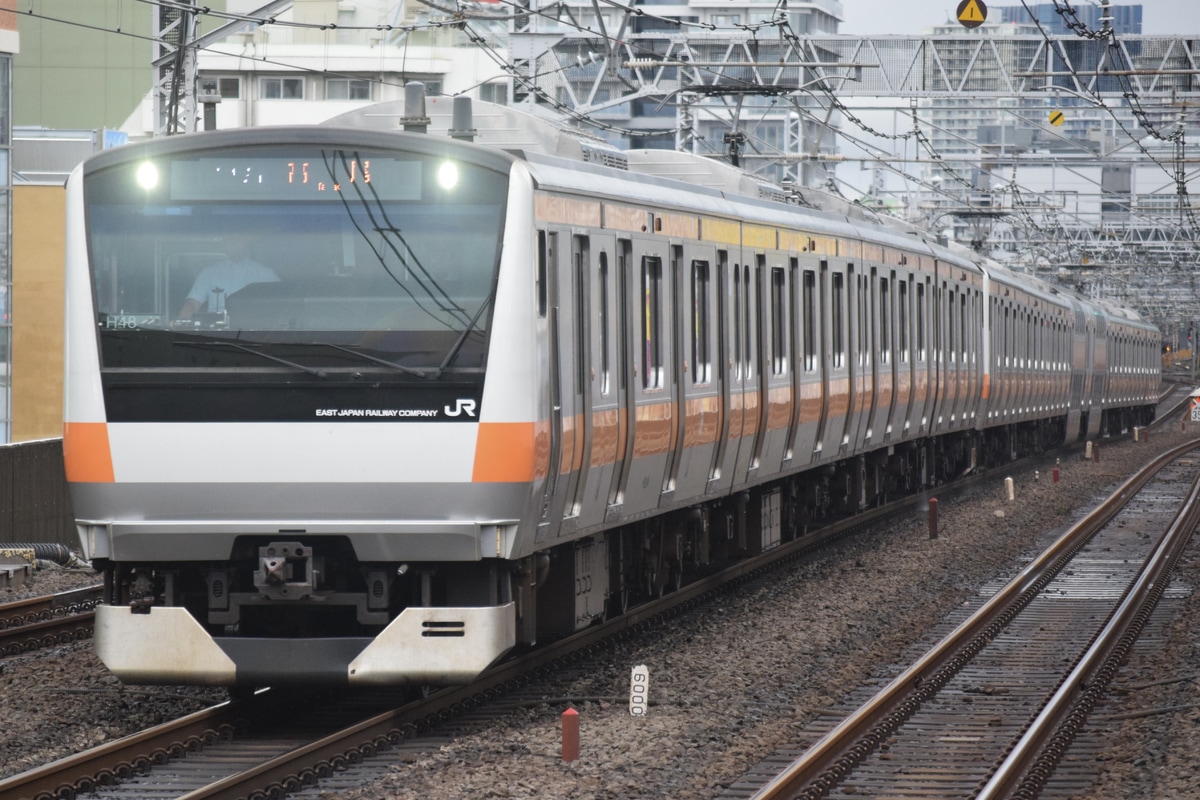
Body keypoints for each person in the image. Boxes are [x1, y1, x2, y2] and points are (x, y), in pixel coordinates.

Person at [177, 235, 279, 319]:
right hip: (215, 334)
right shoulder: (208, 273)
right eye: (230, 239)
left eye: (238, 239)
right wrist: (182, 319)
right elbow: (193, 302)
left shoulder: (266, 274)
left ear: (247, 242)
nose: (234, 243)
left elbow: (281, 303)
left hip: (254, 331)